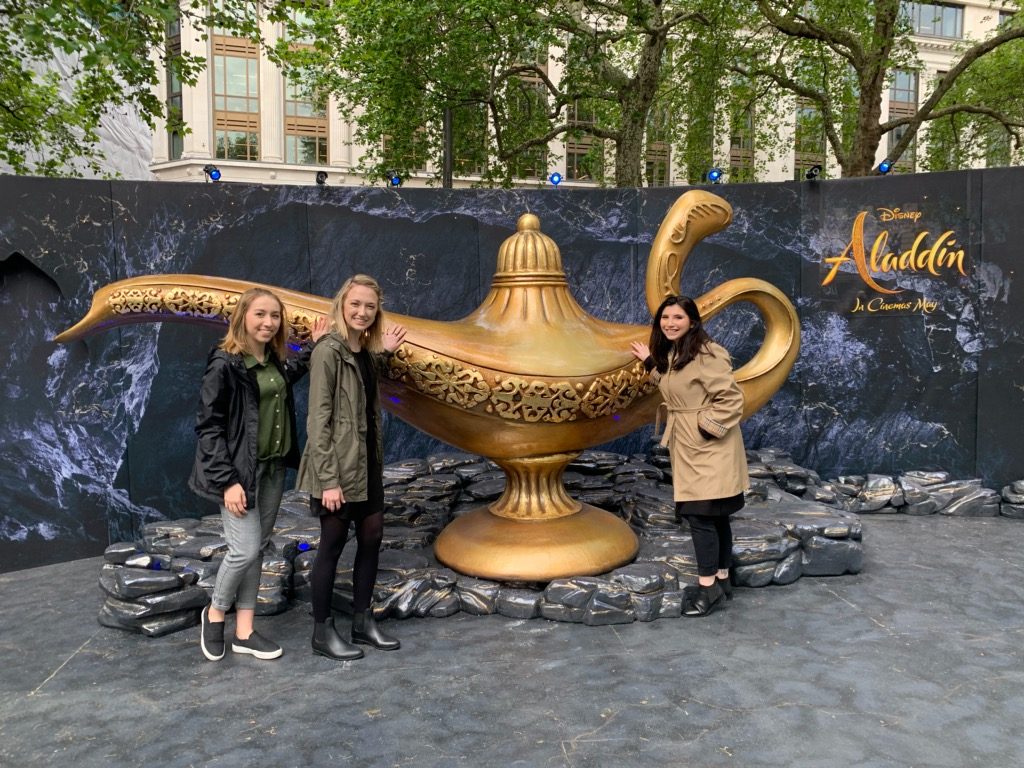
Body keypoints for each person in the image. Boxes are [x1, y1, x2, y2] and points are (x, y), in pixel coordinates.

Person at [190, 287, 326, 661]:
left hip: (271, 470)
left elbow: (287, 376)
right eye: (260, 314)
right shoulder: (225, 363)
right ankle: (216, 612)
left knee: (257, 550)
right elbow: (208, 427)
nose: (268, 322)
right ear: (243, 317)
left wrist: (313, 347)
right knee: (244, 548)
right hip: (239, 475)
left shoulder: (273, 361)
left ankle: (245, 631)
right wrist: (228, 482)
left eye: (275, 316)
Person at [296, 274, 407, 660]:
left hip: (367, 463)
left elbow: (360, 378)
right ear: (342, 305)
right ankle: (322, 632)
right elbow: (317, 420)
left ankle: (362, 622)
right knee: (332, 545)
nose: (362, 312)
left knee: (373, 536)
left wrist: (385, 354)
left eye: (370, 307)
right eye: (355, 304)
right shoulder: (327, 350)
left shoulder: (362, 352)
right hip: (337, 470)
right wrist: (328, 481)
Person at [631, 295, 749, 617]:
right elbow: (677, 387)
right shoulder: (676, 354)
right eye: (665, 318)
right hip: (691, 444)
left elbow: (731, 400)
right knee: (716, 513)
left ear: (693, 321)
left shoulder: (707, 353)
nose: (670, 323)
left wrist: (705, 429)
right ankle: (723, 580)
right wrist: (650, 365)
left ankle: (707, 587)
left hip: (709, 445)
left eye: (678, 317)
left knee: (701, 515)